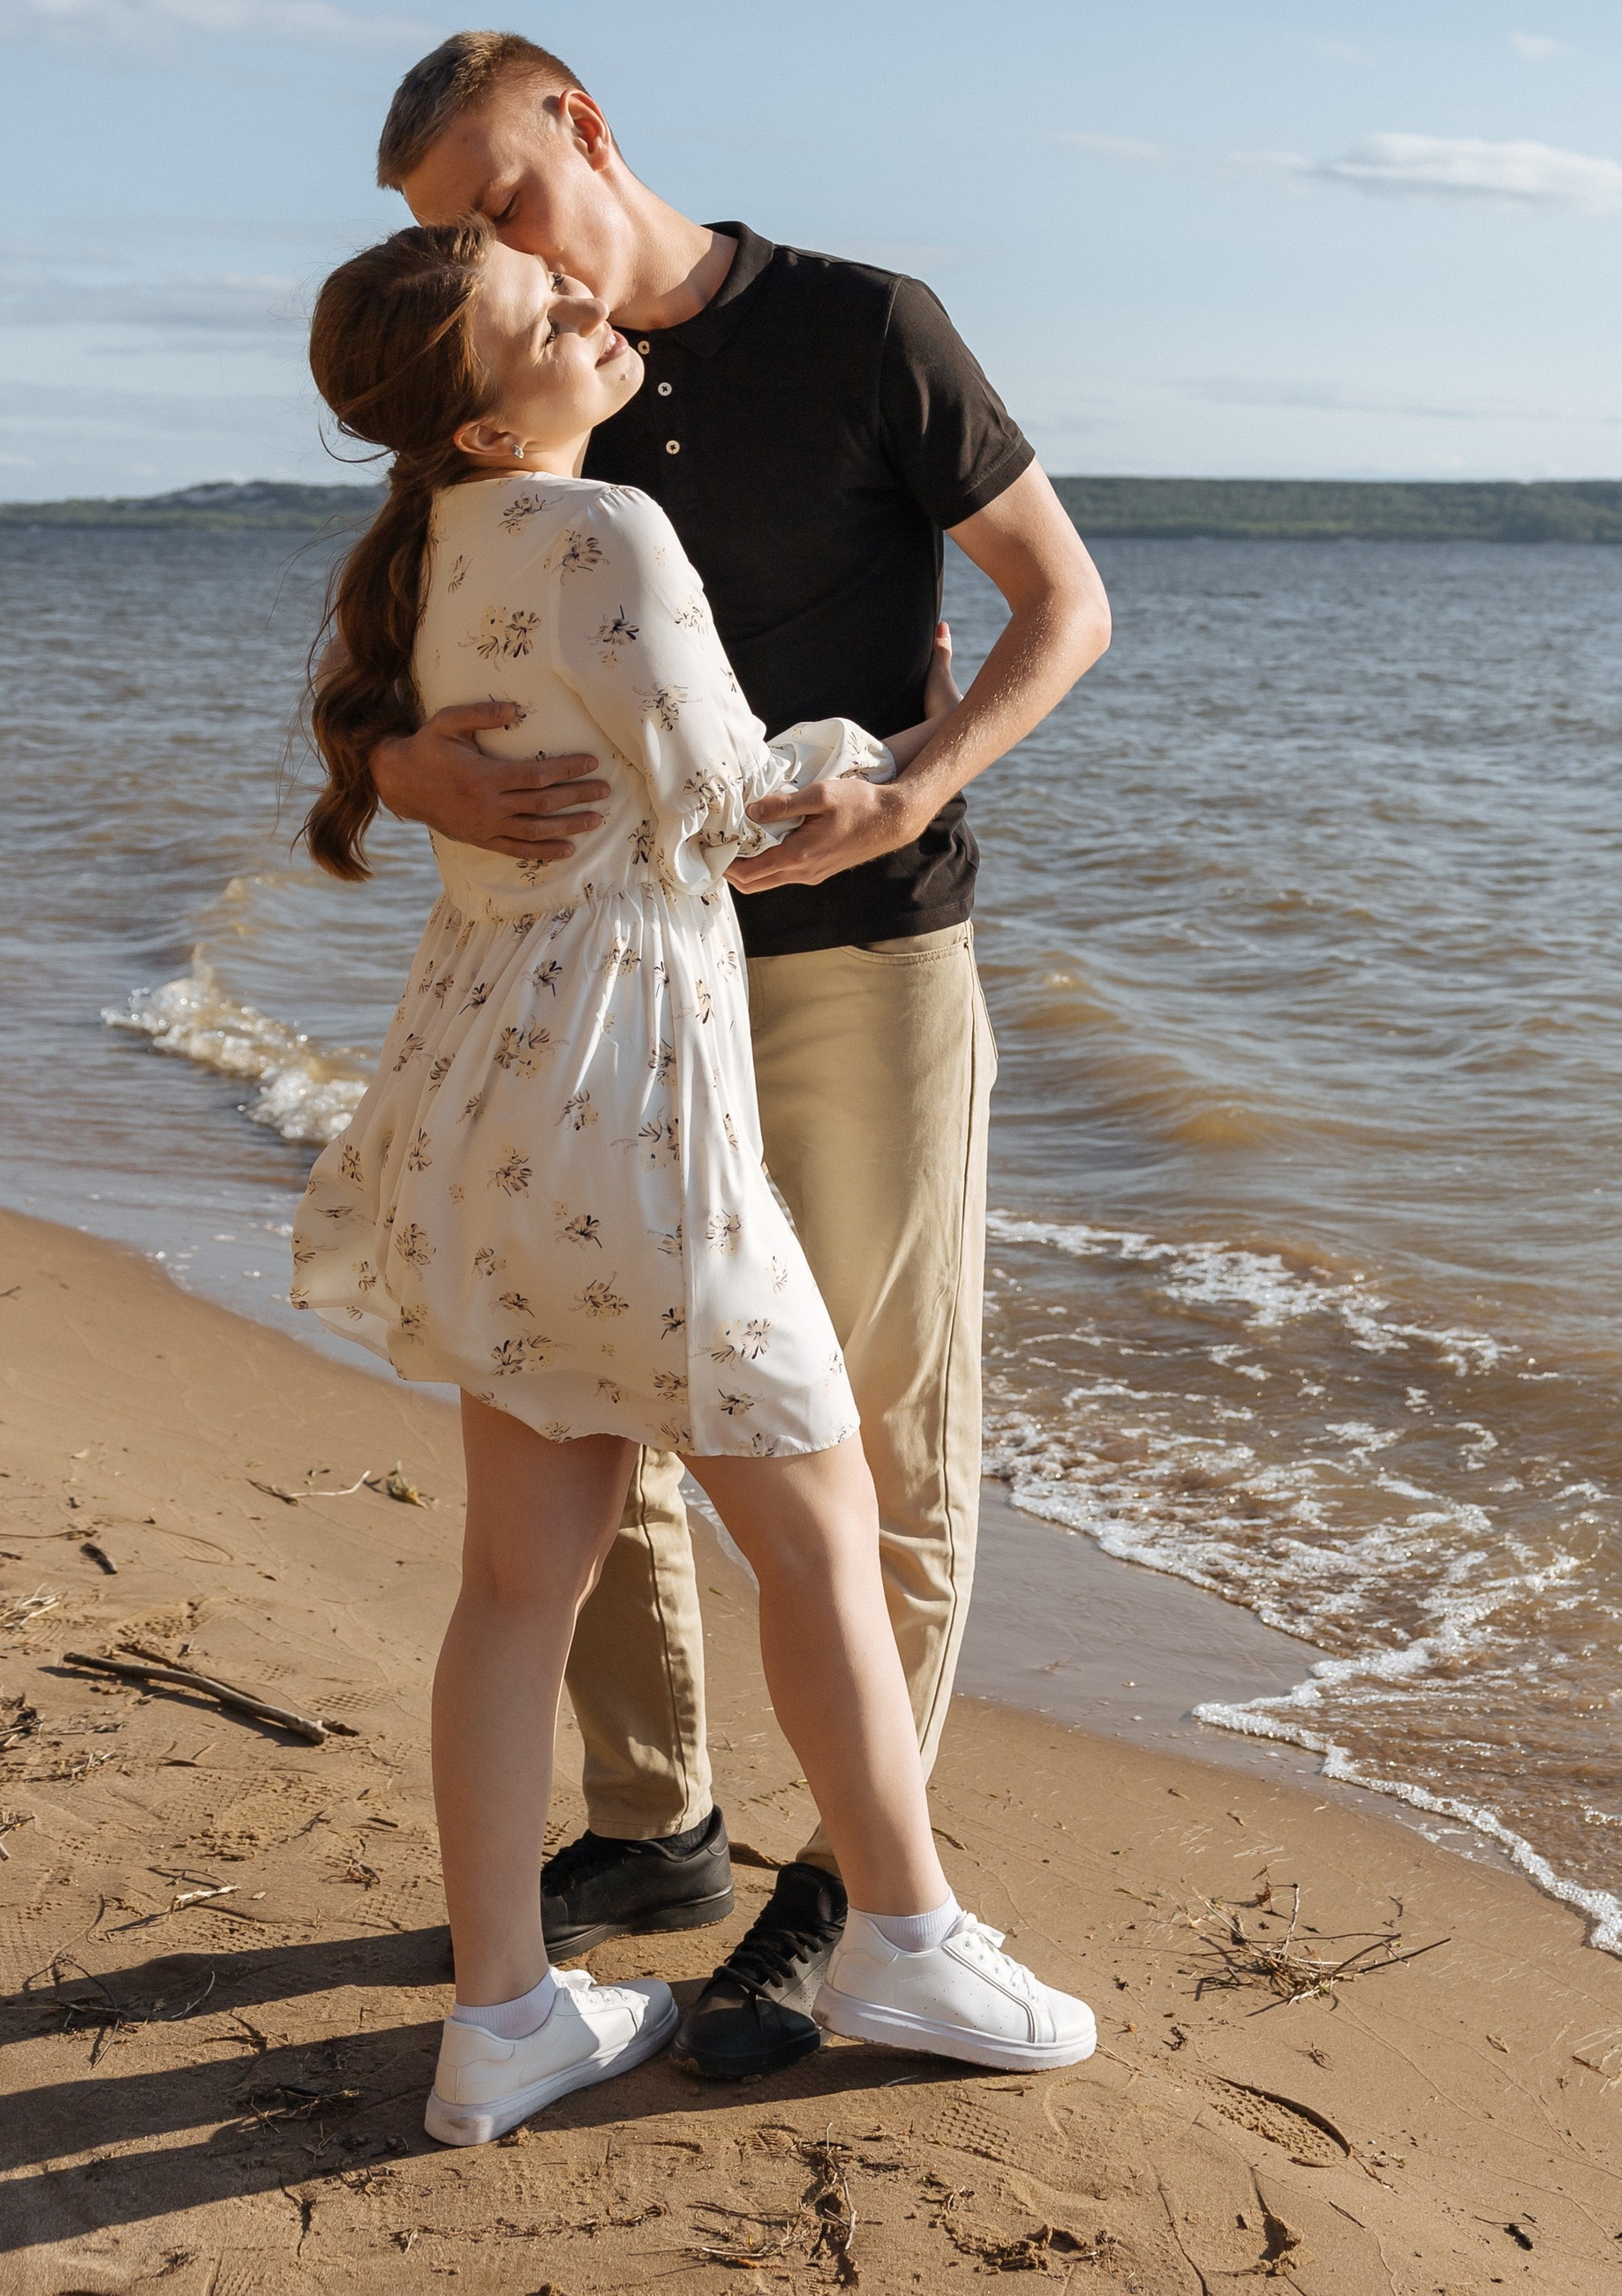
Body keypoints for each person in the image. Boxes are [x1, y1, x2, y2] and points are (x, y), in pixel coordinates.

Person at [291, 218, 1097, 2146]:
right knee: (819, 1523)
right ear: (485, 423)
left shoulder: (427, 557)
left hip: (485, 1092)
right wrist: (868, 741)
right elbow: (731, 810)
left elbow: (512, 756)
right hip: (627, 1101)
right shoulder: (603, 539)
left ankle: (505, 2017)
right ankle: (899, 1932)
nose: (588, 308)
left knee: (513, 1581)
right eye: (536, 316)